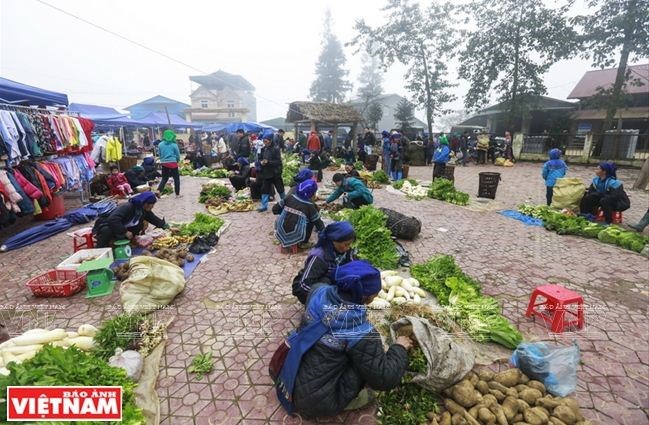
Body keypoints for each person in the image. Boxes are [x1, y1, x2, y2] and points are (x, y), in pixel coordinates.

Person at [286, 260, 412, 418]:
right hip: (320, 402)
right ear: (367, 298)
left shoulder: (317, 291)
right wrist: (399, 348)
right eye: (375, 292)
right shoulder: (361, 332)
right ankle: (355, 399)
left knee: (354, 351)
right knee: (368, 367)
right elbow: (384, 379)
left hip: (291, 375)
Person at [292, 221, 356, 304]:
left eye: (349, 244)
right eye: (346, 244)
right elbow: (303, 286)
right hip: (311, 289)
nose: (348, 248)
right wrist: (328, 296)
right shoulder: (319, 257)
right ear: (334, 240)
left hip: (331, 286)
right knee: (327, 281)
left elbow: (353, 266)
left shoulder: (344, 251)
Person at [93, 192, 170, 248]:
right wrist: (124, 231)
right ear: (145, 203)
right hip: (110, 225)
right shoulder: (128, 206)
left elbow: (153, 218)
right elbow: (113, 219)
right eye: (151, 204)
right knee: (107, 230)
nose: (152, 207)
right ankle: (101, 249)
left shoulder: (143, 209)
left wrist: (167, 227)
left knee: (140, 225)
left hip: (123, 226)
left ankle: (123, 242)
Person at [273, 179, 324, 249]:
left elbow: (274, 209)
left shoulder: (290, 197)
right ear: (311, 193)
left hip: (281, 230)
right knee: (312, 220)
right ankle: (304, 243)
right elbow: (320, 225)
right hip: (297, 235)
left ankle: (281, 238)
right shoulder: (310, 206)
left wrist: (288, 212)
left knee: (282, 216)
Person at [257, 134, 285, 212]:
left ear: (270, 140)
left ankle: (286, 203)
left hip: (275, 173)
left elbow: (278, 162)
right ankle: (264, 206)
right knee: (264, 189)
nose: (264, 142)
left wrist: (268, 162)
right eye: (263, 141)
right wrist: (261, 162)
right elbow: (260, 158)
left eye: (266, 141)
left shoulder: (276, 149)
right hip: (266, 172)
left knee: (280, 189)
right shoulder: (263, 149)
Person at [156, 130, 181, 198]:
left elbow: (160, 154)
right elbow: (178, 155)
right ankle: (177, 194)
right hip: (173, 162)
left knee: (164, 178)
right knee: (176, 179)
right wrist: (178, 160)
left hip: (164, 163)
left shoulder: (160, 144)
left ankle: (158, 190)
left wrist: (162, 160)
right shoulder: (174, 145)